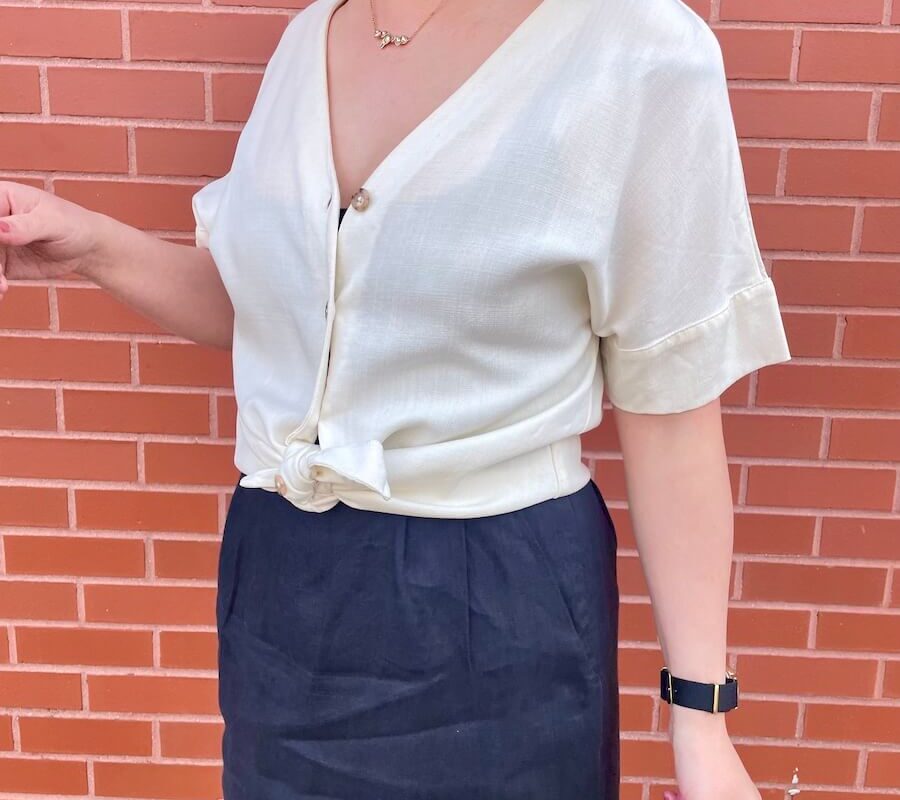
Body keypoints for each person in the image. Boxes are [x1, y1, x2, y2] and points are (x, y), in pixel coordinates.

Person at [0, 0, 791, 797]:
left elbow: (672, 408)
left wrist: (701, 723)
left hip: (495, 594)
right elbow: (271, 316)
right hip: (281, 582)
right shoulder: (310, 39)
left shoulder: (637, 49)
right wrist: (92, 245)